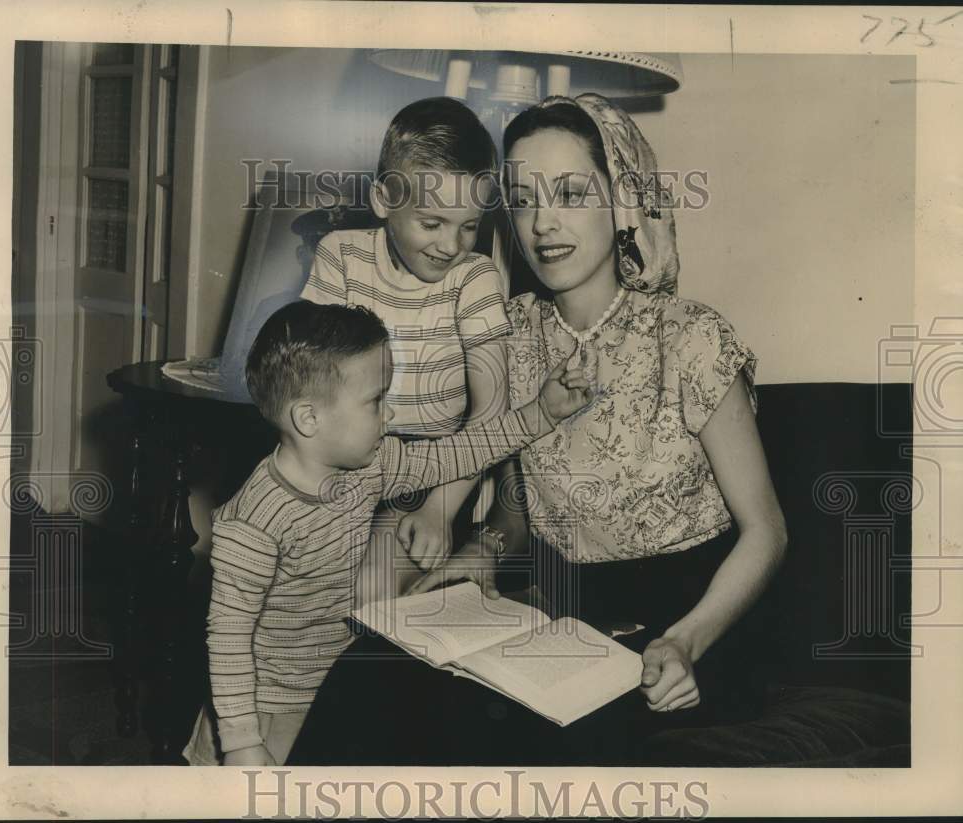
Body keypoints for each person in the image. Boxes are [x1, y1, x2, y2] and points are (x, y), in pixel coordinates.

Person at [289, 93, 787, 766]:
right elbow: (521, 504)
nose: (544, 223)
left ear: (622, 201)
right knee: (368, 676)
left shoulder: (691, 335)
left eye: (571, 193)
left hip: (692, 635)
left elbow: (767, 531)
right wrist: (486, 551)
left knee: (500, 739)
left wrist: (686, 642)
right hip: (564, 623)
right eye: (523, 200)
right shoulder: (511, 332)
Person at [180, 300, 591, 765]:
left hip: (327, 683)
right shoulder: (251, 524)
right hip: (259, 711)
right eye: (376, 401)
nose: (388, 415)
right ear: (309, 419)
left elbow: (453, 454)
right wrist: (239, 742)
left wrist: (541, 414)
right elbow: (228, 638)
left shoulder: (369, 467)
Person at [300, 96, 511, 605]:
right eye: (431, 223)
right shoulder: (341, 257)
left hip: (434, 480)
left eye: (468, 226)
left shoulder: (476, 278)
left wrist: (440, 508)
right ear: (383, 201)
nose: (451, 245)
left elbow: (493, 409)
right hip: (341, 465)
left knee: (362, 593)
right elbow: (310, 379)